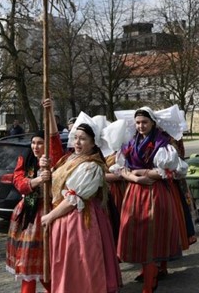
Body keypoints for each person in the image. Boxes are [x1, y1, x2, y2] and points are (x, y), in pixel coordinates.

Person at [41, 116, 121, 293]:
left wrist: (50, 216)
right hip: (65, 221)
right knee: (68, 264)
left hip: (80, 222)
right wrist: (44, 169)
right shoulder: (69, 159)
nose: (77, 142)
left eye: (83, 138)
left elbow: (73, 199)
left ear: (93, 143)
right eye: (76, 137)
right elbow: (55, 181)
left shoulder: (91, 167)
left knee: (82, 264)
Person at [114, 107, 185, 293]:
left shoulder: (162, 143)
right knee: (137, 233)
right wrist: (135, 178)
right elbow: (121, 169)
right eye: (137, 123)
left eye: (144, 122)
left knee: (152, 235)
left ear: (153, 123)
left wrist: (144, 172)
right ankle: (148, 272)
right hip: (134, 192)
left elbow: (168, 172)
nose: (140, 126)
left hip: (155, 193)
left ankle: (150, 279)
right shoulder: (130, 142)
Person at [5, 99, 64, 293]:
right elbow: (19, 183)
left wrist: (50, 111)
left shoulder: (53, 158)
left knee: (47, 265)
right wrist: (38, 180)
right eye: (33, 143)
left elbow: (55, 138)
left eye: (40, 143)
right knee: (28, 264)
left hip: (49, 212)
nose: (36, 147)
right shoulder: (26, 159)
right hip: (29, 213)